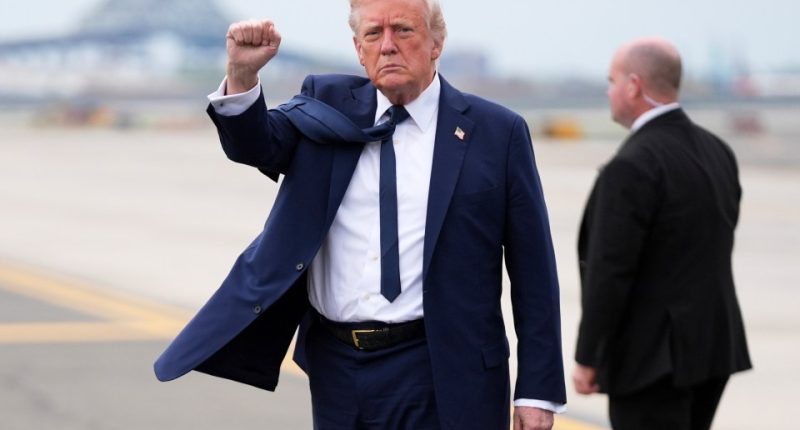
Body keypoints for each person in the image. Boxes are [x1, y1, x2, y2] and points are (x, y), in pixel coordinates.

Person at [154, 0, 567, 429]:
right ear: (358, 48)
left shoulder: (497, 132)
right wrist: (242, 75)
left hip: (443, 367)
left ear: (436, 43)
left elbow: (533, 268)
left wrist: (538, 390)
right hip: (338, 368)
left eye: (403, 31)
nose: (387, 46)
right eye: (374, 34)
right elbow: (255, 145)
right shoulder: (326, 106)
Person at [572, 37, 752, 430]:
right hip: (712, 349)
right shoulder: (717, 151)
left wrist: (589, 355)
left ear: (633, 85)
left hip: (651, 359)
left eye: (612, 80)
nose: (609, 90)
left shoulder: (632, 166)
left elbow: (610, 270)